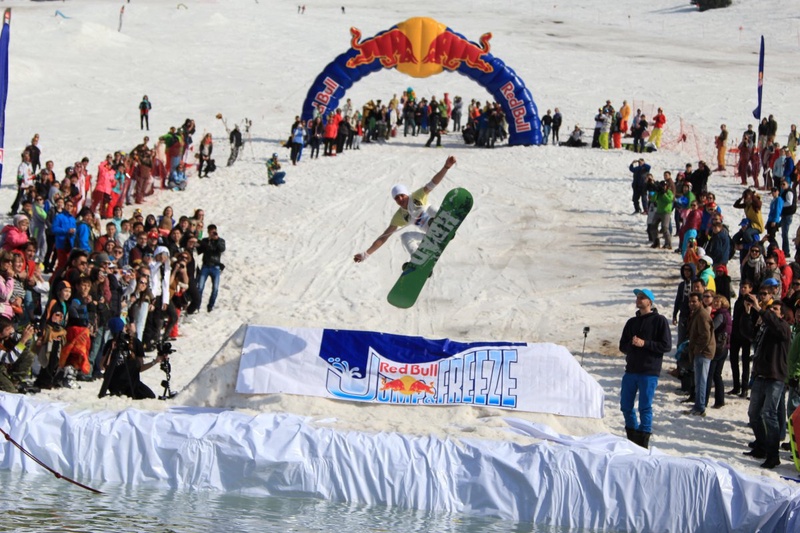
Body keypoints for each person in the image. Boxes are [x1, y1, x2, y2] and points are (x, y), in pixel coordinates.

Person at [353, 156, 456, 264]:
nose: (400, 199)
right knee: (405, 236)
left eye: (402, 195)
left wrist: (446, 167)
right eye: (397, 198)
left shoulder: (417, 196)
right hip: (431, 236)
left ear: (407, 194)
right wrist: (365, 254)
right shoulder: (400, 216)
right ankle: (418, 259)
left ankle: (444, 223)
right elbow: (384, 237)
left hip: (441, 224)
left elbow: (434, 182)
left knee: (431, 208)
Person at [618, 288, 672, 449]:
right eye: (637, 297)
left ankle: (643, 441)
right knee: (625, 406)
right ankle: (632, 435)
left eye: (642, 297)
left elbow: (666, 345)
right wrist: (632, 344)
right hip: (631, 370)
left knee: (645, 407)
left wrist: (645, 343)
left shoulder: (659, 320)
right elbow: (622, 346)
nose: (638, 299)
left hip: (649, 371)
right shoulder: (631, 322)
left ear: (650, 301)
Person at [745, 296, 790, 469]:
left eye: (775, 310)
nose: (771, 312)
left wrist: (761, 309)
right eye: (770, 309)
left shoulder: (783, 328)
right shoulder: (766, 327)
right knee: (753, 414)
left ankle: (773, 454)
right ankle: (761, 446)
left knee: (769, 415)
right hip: (760, 375)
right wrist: (749, 313)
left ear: (782, 315)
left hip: (775, 377)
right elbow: (748, 335)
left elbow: (776, 325)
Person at [101, 319, 165, 399]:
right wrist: (110, 350)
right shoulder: (111, 344)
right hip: (123, 384)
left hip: (123, 384)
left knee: (150, 396)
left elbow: (139, 368)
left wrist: (155, 362)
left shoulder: (134, 343)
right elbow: (103, 366)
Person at [686, 290, 716, 417]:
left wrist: (697, 349)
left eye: (694, 301)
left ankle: (700, 407)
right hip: (700, 351)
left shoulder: (702, 315)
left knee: (701, 381)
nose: (692, 304)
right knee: (698, 380)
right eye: (690, 302)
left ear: (700, 302)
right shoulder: (696, 314)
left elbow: (705, 335)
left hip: (703, 352)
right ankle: (698, 405)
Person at [196, 224, 225, 313]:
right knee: (200, 287)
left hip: (215, 266)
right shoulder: (205, 240)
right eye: (210, 232)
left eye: (214, 231)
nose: (212, 233)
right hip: (206, 265)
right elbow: (199, 251)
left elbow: (222, 249)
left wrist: (216, 240)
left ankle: (210, 306)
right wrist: (206, 242)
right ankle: (197, 305)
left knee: (215, 288)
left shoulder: (220, 240)